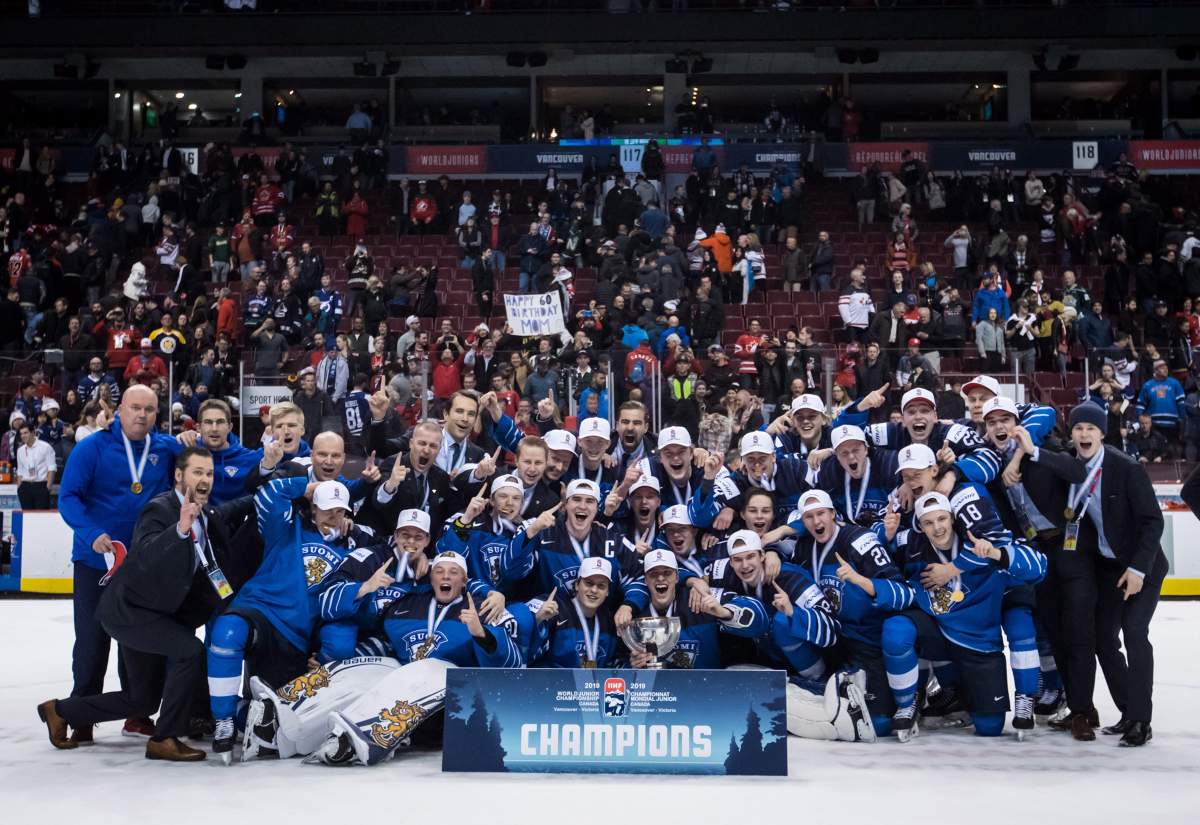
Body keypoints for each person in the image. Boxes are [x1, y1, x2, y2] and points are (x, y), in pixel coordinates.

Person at [38, 447, 254, 761]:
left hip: (156, 614)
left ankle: (59, 711)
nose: (205, 479)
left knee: (142, 700)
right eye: (197, 472)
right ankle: (164, 739)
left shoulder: (207, 517)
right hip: (131, 612)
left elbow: (234, 510)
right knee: (190, 651)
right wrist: (179, 530)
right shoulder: (161, 509)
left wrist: (283, 489)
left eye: (209, 473)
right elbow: (147, 553)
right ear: (179, 476)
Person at [57, 385, 182, 741]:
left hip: (144, 567)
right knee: (92, 642)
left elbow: (198, 462)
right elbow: (68, 497)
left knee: (140, 642)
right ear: (119, 410)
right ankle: (81, 713)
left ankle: (138, 714)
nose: (142, 415)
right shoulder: (91, 448)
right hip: (96, 562)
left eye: (149, 409)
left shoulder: (165, 448)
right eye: (135, 408)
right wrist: (90, 532)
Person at [1047, 404, 1168, 747]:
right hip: (1108, 566)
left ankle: (1141, 720)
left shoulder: (1125, 468)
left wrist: (1138, 568)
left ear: (1103, 433)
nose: (1084, 434)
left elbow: (1153, 522)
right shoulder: (1071, 466)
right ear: (1070, 433)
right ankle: (1129, 710)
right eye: (1078, 428)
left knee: (1134, 632)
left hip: (1141, 565)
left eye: (1090, 428)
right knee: (1102, 639)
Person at [16, 421, 56, 509]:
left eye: (25, 433)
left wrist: (47, 488)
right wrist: (19, 488)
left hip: (41, 486)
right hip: (25, 487)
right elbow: (20, 471)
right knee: (26, 518)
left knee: (42, 518)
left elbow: (51, 468)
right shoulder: (20, 450)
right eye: (21, 434)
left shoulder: (45, 447)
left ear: (33, 433)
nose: (23, 436)